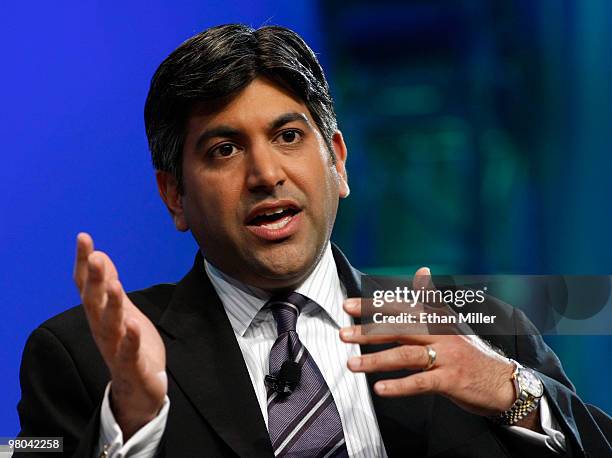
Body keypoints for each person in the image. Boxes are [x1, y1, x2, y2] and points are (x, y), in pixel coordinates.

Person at [17, 24, 611, 458]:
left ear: (338, 162)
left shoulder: (475, 326)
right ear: (175, 195)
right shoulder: (88, 357)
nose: (266, 173)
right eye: (223, 150)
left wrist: (508, 391)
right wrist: (135, 427)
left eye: (289, 135)